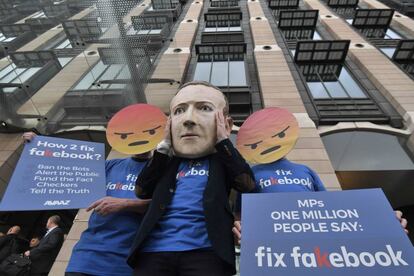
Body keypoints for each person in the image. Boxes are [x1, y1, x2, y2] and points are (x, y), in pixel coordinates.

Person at [127, 81, 256, 276]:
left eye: (204, 108)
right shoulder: (166, 162)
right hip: (153, 252)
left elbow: (247, 183)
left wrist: (223, 142)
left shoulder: (224, 161)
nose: (188, 119)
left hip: (206, 253)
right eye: (179, 111)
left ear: (227, 124)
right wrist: (163, 148)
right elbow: (141, 190)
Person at [23, 132, 152, 276]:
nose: (140, 138)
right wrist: (39, 144)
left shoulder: (162, 170)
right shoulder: (110, 166)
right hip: (86, 257)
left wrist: (126, 204)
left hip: (126, 263)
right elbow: (66, 170)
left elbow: (168, 205)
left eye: (147, 132)